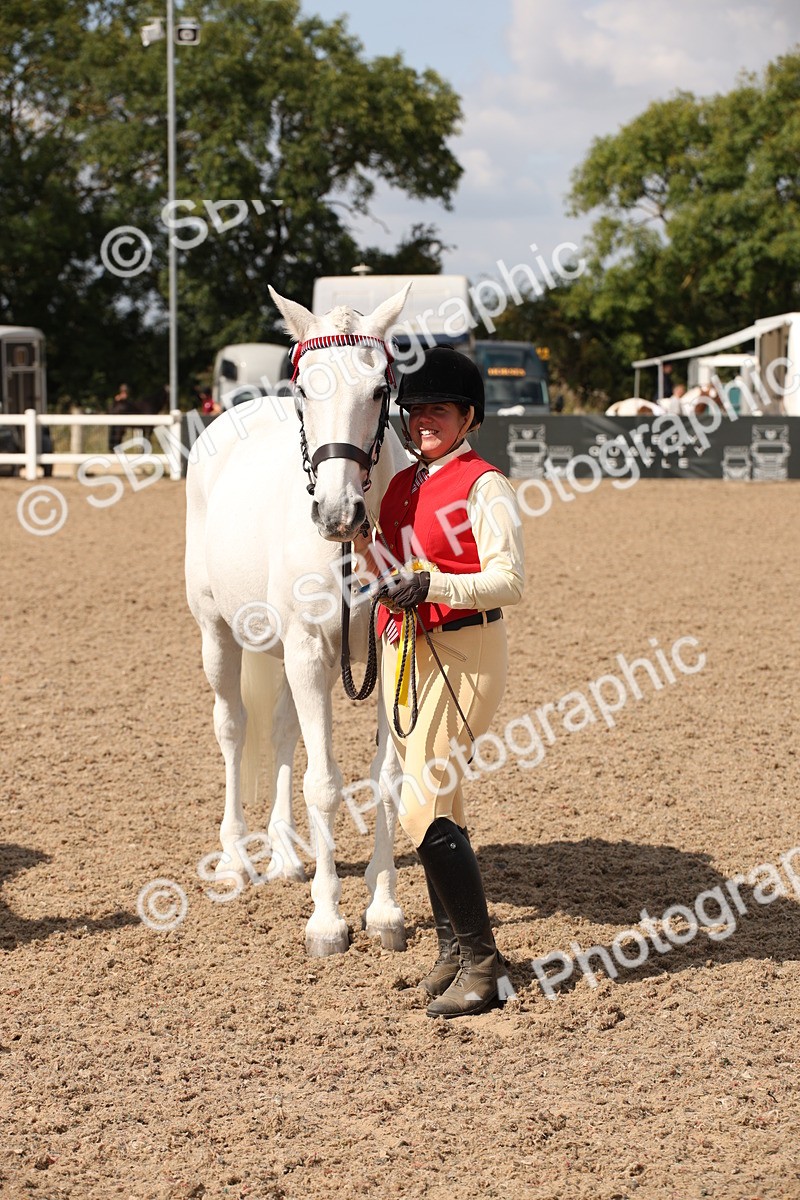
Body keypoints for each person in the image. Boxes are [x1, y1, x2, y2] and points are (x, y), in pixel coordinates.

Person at [354, 346, 525, 1018]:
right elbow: (388, 572)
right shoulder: (403, 485)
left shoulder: (485, 485)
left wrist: (433, 585)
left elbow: (509, 580)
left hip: (465, 649)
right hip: (406, 649)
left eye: (440, 410)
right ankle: (455, 953)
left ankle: (484, 966)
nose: (424, 420)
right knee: (440, 800)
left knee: (420, 802)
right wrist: (362, 540)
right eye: (416, 409)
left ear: (468, 417)